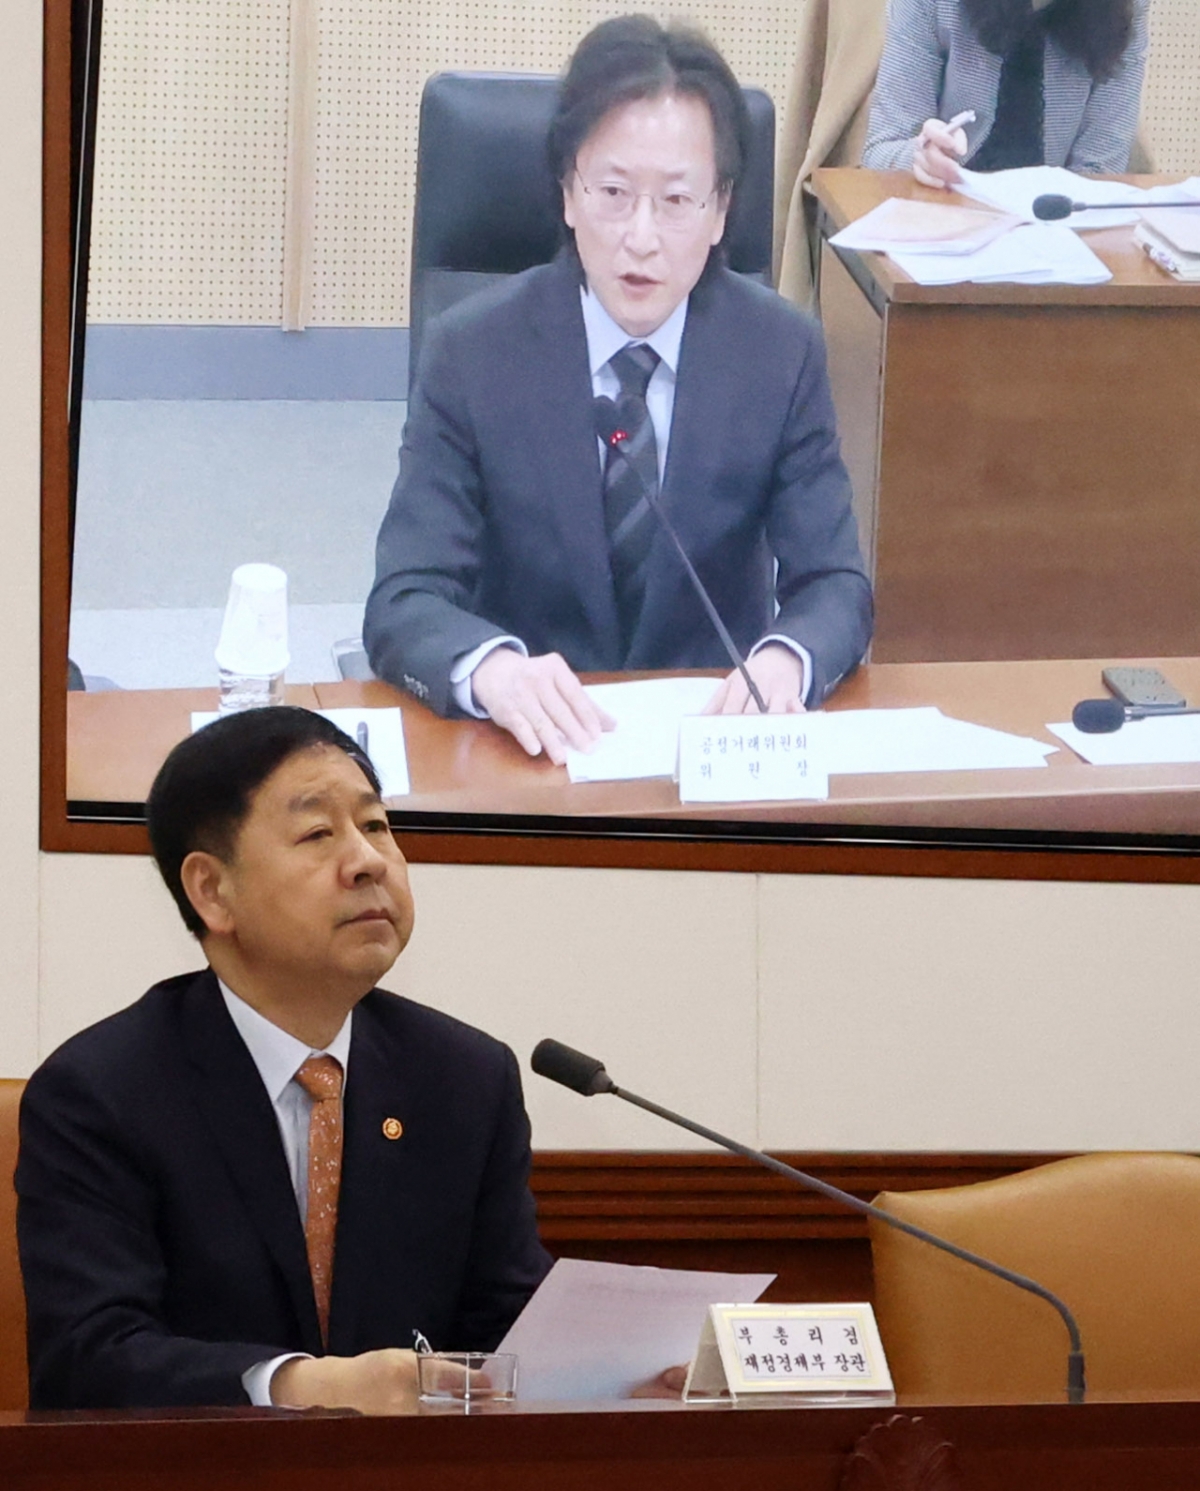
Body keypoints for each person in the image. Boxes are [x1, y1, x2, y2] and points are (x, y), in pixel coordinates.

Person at [365, 15, 873, 767]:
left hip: (710, 755)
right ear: (568, 194)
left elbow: (835, 584)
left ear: (720, 211)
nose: (641, 237)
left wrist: (785, 659)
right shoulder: (471, 353)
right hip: (528, 755)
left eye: (676, 201)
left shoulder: (779, 352)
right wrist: (493, 670)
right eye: (612, 192)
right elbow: (404, 597)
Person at [16, 707, 551, 1410]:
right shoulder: (101, 1092)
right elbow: (89, 1358)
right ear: (212, 891)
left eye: (376, 825)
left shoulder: (464, 1078)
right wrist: (303, 1385)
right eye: (317, 834)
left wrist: (624, 1368)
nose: (367, 860)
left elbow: (510, 1330)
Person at [862, 0, 1149, 187]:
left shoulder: (1123, 7)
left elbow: (1101, 171)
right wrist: (921, 158)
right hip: (941, 217)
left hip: (1053, 232)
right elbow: (881, 152)